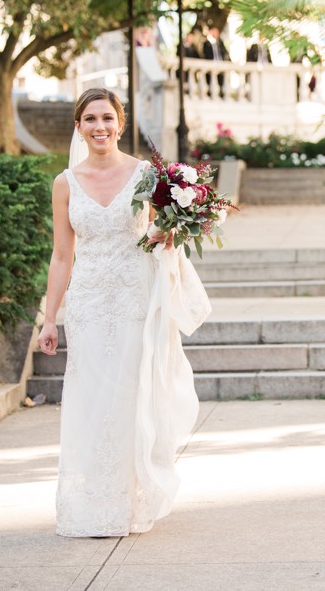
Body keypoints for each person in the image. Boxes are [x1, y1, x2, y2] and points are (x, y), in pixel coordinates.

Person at [37, 88, 210, 537]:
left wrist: (168, 235)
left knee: (132, 398)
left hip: (136, 297)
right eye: (90, 119)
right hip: (90, 301)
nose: (100, 127)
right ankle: (93, 501)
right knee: (91, 400)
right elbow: (61, 256)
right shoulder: (64, 183)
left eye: (107, 118)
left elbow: (165, 227)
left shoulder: (146, 175)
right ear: (78, 127)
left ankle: (131, 497)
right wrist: (49, 317)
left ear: (121, 122)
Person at [202, 26, 228, 98]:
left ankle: (221, 95)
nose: (217, 34)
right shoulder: (207, 43)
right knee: (211, 80)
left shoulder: (220, 43)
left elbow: (225, 52)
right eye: (215, 32)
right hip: (211, 65)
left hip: (220, 64)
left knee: (221, 80)